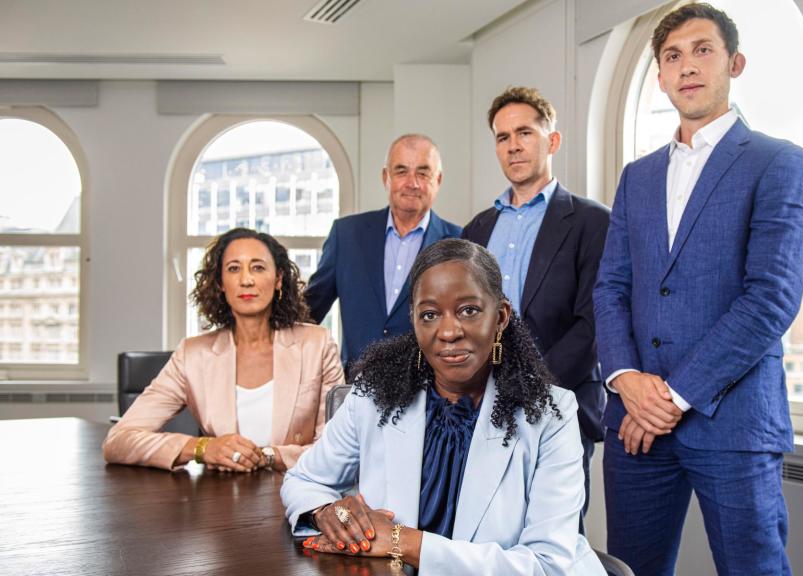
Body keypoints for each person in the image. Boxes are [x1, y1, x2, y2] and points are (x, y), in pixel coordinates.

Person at [593, 4, 803, 574]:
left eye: (702, 50)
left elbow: (770, 300)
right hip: (635, 428)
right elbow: (611, 288)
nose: (687, 66)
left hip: (735, 423)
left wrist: (669, 398)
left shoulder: (779, 163)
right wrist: (625, 380)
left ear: (734, 63)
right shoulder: (636, 176)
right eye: (672, 57)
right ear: (662, 77)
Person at [282, 239, 604, 575]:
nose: (448, 331)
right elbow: (303, 480)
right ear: (414, 321)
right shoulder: (372, 396)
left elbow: (546, 565)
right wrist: (327, 512)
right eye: (430, 315)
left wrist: (402, 542)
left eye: (469, 310)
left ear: (501, 317)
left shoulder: (551, 414)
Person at [462, 86, 609, 524]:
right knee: (486, 537)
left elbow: (594, 323)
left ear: (552, 141)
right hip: (481, 410)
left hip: (558, 406)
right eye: (503, 137)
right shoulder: (477, 228)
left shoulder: (591, 221)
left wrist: (530, 388)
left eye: (524, 132)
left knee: (557, 544)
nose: (514, 146)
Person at [103, 228, 344, 472]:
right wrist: (203, 448)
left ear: (278, 278)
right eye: (233, 268)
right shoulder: (193, 354)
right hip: (220, 499)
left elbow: (336, 448)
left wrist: (269, 456)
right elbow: (118, 440)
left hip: (300, 495)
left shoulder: (317, 344)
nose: (246, 279)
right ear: (220, 283)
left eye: (258, 267)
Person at [304, 134, 461, 374]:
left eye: (423, 173)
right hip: (357, 388)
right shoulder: (346, 235)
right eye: (401, 171)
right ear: (385, 177)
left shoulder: (460, 242)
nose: (412, 183)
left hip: (430, 391)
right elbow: (310, 311)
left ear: (437, 180)